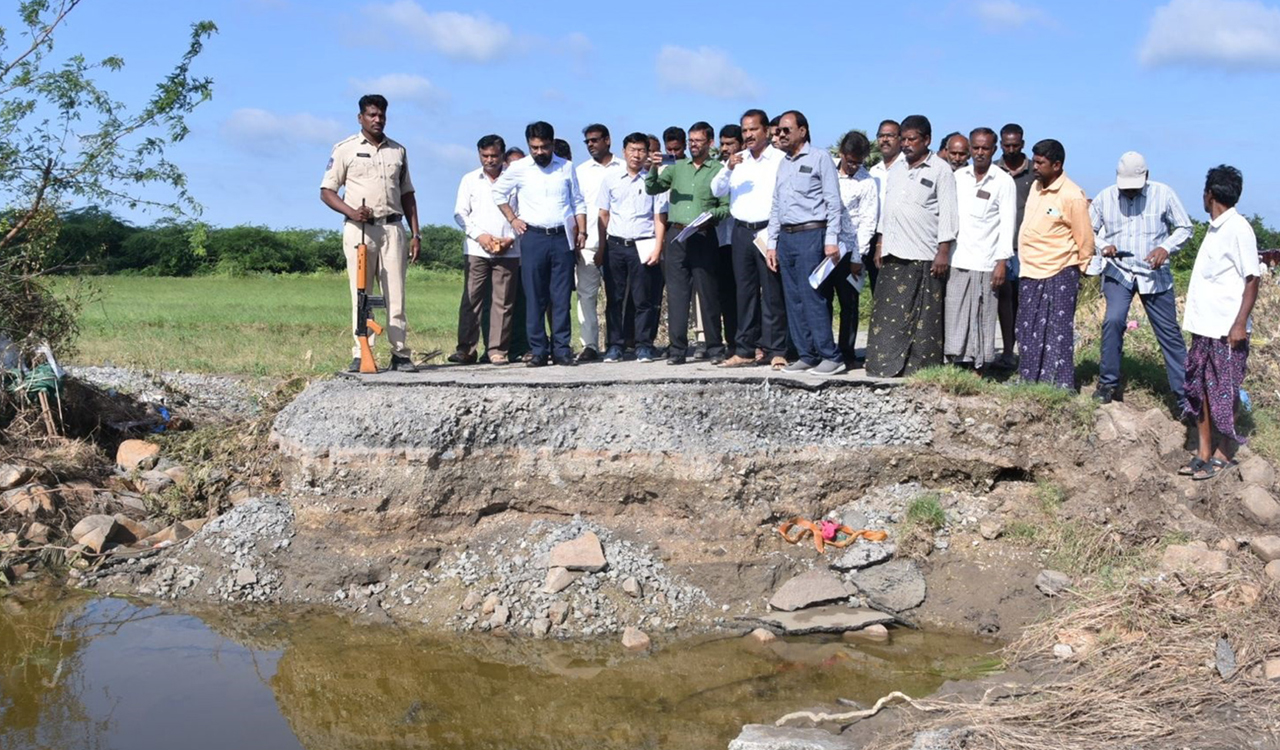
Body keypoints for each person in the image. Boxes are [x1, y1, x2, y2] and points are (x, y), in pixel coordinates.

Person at [320, 94, 420, 373]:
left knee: (395, 293)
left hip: (393, 229)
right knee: (361, 292)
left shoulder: (398, 151)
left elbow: (408, 193)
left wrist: (416, 233)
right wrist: (351, 211)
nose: (377, 120)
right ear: (360, 117)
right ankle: (361, 351)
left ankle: (400, 353)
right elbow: (327, 191)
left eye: (381, 115)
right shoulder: (345, 149)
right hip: (360, 230)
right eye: (372, 115)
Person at [1089, 152, 1193, 406]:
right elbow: (1087, 229)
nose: (1130, 194)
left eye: (1135, 189)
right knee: (1113, 321)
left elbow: (1185, 228)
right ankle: (1108, 383)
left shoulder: (1163, 194)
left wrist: (1165, 248)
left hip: (1154, 274)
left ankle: (1185, 398)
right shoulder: (1105, 197)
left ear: (1146, 177)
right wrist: (1103, 245)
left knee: (1169, 333)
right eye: (1126, 189)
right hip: (1119, 270)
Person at [1180, 165, 1261, 480]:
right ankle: (1203, 451)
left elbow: (1252, 280)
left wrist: (1239, 324)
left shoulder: (1239, 228)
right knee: (1199, 391)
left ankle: (1223, 453)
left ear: (1209, 194)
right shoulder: (1214, 229)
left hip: (1228, 331)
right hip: (1203, 328)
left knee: (1225, 392)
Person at [866, 114, 957, 378]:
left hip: (924, 254)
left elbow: (949, 214)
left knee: (923, 319)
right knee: (887, 316)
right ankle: (882, 366)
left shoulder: (941, 170)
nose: (906, 144)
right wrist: (880, 242)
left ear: (926, 140)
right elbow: (888, 209)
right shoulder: (895, 168)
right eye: (903, 139)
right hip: (894, 252)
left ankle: (919, 371)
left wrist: (943, 251)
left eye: (911, 139)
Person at [493, 121, 587, 367]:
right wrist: (512, 219)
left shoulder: (566, 167)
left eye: (544, 147)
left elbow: (578, 201)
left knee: (561, 295)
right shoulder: (519, 168)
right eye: (534, 147)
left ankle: (561, 349)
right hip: (533, 237)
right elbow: (498, 193)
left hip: (562, 237)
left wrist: (582, 230)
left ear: (552, 144)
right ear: (528, 145)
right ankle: (537, 349)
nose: (539, 152)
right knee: (535, 295)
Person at [766, 110, 848, 376]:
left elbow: (833, 202)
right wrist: (772, 242)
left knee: (814, 297)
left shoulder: (820, 158)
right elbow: (777, 204)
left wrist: (831, 239)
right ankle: (807, 354)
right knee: (794, 298)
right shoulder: (783, 163)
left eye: (786, 130)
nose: (780, 135)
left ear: (802, 130)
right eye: (778, 131)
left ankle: (830, 356)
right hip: (787, 238)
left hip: (812, 234)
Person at [645, 120, 729, 365]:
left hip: (703, 235)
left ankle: (715, 348)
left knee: (708, 293)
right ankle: (678, 350)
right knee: (677, 295)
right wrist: (652, 168)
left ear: (710, 143)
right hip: (677, 236)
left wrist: (711, 218)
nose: (693, 146)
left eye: (698, 141)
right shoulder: (677, 167)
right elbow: (653, 188)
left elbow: (726, 208)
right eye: (691, 141)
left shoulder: (718, 170)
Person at [710, 108, 787, 368]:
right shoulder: (737, 160)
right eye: (745, 130)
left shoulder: (779, 159)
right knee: (744, 292)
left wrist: (775, 235)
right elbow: (716, 189)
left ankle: (776, 349)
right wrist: (728, 168)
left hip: (769, 230)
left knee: (772, 291)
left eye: (753, 129)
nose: (749, 134)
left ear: (767, 131)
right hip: (741, 231)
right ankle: (744, 349)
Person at [1015, 138, 1093, 389]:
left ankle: (1060, 387)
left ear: (1057, 165)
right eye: (1034, 161)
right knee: (1027, 328)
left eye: (1040, 162)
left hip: (1060, 269)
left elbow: (1085, 238)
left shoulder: (1072, 195)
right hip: (1031, 269)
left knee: (1056, 332)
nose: (1034, 166)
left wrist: (1080, 269)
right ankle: (1029, 381)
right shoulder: (1036, 187)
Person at [945, 127, 1016, 371]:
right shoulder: (958, 177)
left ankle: (981, 365)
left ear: (994, 150)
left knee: (983, 317)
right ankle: (957, 361)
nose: (980, 152)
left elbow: (1007, 224)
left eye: (985, 148)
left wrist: (1001, 262)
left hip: (987, 261)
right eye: (975, 147)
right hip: (958, 258)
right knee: (955, 313)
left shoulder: (1003, 181)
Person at [598, 132, 668, 363]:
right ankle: (615, 345)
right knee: (615, 298)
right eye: (632, 150)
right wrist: (601, 247)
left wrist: (658, 248)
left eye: (641, 150)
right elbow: (604, 214)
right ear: (623, 152)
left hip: (643, 244)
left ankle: (643, 345)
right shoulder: (610, 178)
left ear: (647, 153)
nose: (636, 155)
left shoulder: (653, 180)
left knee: (643, 299)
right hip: (616, 244)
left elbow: (659, 217)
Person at [451, 134, 519, 365]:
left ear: (503, 155)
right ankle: (466, 349)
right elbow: (460, 213)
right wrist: (480, 236)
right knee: (472, 299)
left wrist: (509, 238)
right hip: (477, 248)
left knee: (503, 301)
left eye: (494, 156)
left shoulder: (515, 180)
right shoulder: (470, 179)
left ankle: (497, 350)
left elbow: (525, 212)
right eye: (485, 155)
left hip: (508, 249)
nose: (489, 160)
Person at [573, 123, 624, 363]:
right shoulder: (581, 171)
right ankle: (590, 345)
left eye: (594, 140)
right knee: (586, 296)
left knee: (619, 296)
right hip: (588, 242)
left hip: (618, 242)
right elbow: (575, 206)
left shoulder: (625, 167)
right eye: (587, 142)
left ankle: (621, 343)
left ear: (608, 140)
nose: (591, 145)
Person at [830, 129, 878, 364]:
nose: (853, 167)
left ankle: (847, 351)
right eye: (850, 162)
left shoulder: (866, 182)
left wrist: (858, 256)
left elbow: (868, 221)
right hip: (826, 248)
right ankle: (825, 349)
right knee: (823, 300)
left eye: (858, 163)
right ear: (841, 154)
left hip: (851, 250)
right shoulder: (827, 171)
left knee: (849, 303)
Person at [995, 123, 1035, 368]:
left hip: (1027, 248)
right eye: (1006, 145)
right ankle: (1008, 352)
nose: (1010, 149)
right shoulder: (993, 170)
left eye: (1015, 145)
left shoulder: (1035, 172)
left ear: (1022, 144)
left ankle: (1027, 353)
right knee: (1004, 301)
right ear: (1001, 144)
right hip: (1000, 247)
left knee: (1025, 302)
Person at [710, 123, 742, 354]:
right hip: (722, 241)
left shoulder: (752, 167)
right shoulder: (720, 169)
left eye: (730, 144)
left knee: (748, 292)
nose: (725, 148)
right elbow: (715, 192)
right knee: (727, 294)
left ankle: (753, 341)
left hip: (747, 239)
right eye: (722, 144)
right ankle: (732, 341)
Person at [868, 119, 904, 292]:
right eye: (881, 136)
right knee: (877, 289)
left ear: (900, 139)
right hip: (873, 236)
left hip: (897, 236)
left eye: (890, 135)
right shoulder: (874, 171)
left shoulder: (907, 168)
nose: (885, 140)